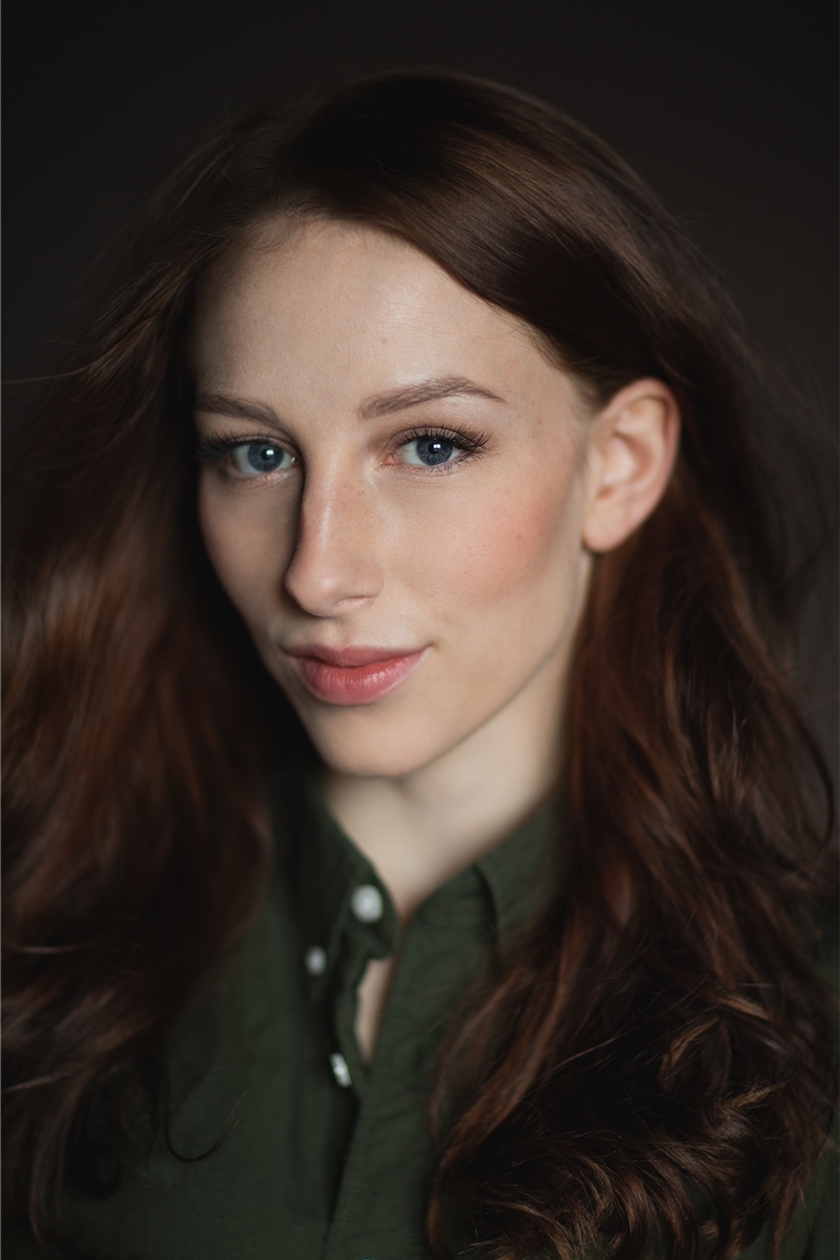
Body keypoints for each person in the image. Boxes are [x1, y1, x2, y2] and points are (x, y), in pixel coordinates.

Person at [2, 70, 836, 1260]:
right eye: (254, 455)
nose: (317, 573)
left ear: (621, 465)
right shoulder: (40, 943)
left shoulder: (811, 1021)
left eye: (431, 446)